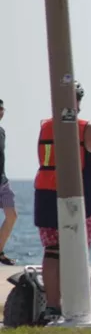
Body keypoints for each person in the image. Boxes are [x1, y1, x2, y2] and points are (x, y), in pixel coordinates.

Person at [34, 84, 91, 320]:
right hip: (77, 196)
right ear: (78, 102)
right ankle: (77, 308)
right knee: (76, 250)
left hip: (45, 195)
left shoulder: (45, 128)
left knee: (52, 251)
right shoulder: (86, 129)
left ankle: (52, 308)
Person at [0, 98, 16, 266]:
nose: (1, 113)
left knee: (11, 215)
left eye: (2, 109)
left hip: (2, 182)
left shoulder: (2, 131)